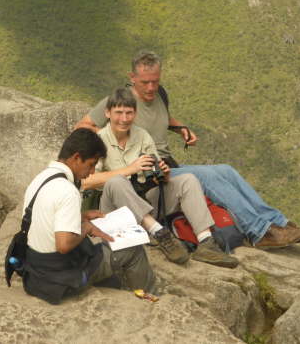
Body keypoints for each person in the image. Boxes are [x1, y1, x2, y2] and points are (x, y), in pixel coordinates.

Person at [76, 51, 300, 249]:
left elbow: (162, 116)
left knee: (227, 170)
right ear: (132, 77)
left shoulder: (160, 95)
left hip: (167, 164)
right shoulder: (122, 102)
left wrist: (180, 128)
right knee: (208, 177)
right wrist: (110, 139)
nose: (150, 87)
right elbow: (83, 126)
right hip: (147, 174)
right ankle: (260, 232)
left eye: (155, 81)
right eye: (144, 82)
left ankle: (280, 222)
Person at [81, 88, 238, 269]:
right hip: (114, 211)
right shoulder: (97, 141)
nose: (124, 119)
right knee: (117, 182)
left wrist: (163, 173)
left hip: (145, 203)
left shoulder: (142, 136)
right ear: (107, 113)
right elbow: (86, 181)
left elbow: (155, 177)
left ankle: (206, 242)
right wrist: (129, 169)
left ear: (135, 114)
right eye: (118, 113)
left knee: (188, 179)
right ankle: (160, 234)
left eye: (129, 113)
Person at [22, 128, 156, 305]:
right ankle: (148, 299)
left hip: (35, 271)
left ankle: (116, 287)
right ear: (76, 158)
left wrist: (82, 215)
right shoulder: (68, 191)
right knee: (133, 249)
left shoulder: (42, 178)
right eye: (91, 164)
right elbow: (63, 245)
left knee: (101, 261)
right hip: (58, 278)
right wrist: (86, 228)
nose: (92, 172)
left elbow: (47, 216)